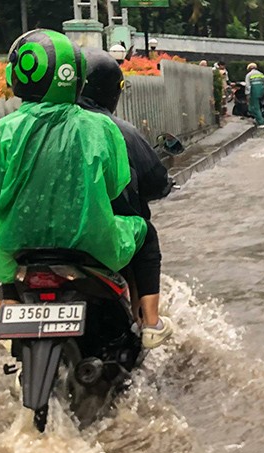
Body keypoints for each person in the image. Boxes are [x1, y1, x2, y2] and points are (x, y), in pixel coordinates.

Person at [0, 30, 147, 311]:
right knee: (142, 230)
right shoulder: (101, 127)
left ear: (14, 76)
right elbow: (115, 186)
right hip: (93, 246)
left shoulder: (0, 132)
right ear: (78, 79)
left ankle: (10, 306)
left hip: (15, 247)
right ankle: (148, 320)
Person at [79, 48, 175, 348]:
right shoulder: (118, 131)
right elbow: (155, 182)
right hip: (99, 238)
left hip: (33, 239)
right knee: (145, 235)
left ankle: (13, 319)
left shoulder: (32, 128)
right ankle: (150, 323)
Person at [245, 62, 264, 128]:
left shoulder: (248, 75)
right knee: (258, 106)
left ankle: (261, 123)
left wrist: (247, 95)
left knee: (255, 107)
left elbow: (248, 86)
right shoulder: (261, 74)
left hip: (254, 92)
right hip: (262, 91)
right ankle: (259, 117)